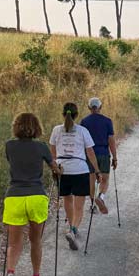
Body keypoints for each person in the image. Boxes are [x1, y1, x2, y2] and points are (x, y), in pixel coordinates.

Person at [0, 112, 59, 276]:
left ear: (16, 127)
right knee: (35, 240)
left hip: (14, 196)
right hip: (36, 196)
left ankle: (10, 272)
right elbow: (54, 167)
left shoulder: (9, 146)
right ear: (37, 127)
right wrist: (58, 170)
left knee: (14, 242)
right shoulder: (41, 147)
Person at [49, 102, 102, 251]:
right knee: (79, 205)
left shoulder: (56, 130)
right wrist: (97, 171)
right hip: (80, 169)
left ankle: (71, 227)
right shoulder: (82, 130)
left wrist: (55, 167)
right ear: (76, 115)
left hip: (62, 169)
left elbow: (52, 151)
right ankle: (73, 229)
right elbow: (90, 153)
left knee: (67, 200)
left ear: (63, 114)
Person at [80, 97, 118, 213]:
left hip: (89, 154)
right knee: (105, 179)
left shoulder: (84, 122)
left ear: (89, 107)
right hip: (103, 153)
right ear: (100, 107)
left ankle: (92, 205)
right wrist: (115, 157)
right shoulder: (107, 121)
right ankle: (100, 196)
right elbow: (111, 140)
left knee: (92, 179)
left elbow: (82, 141)